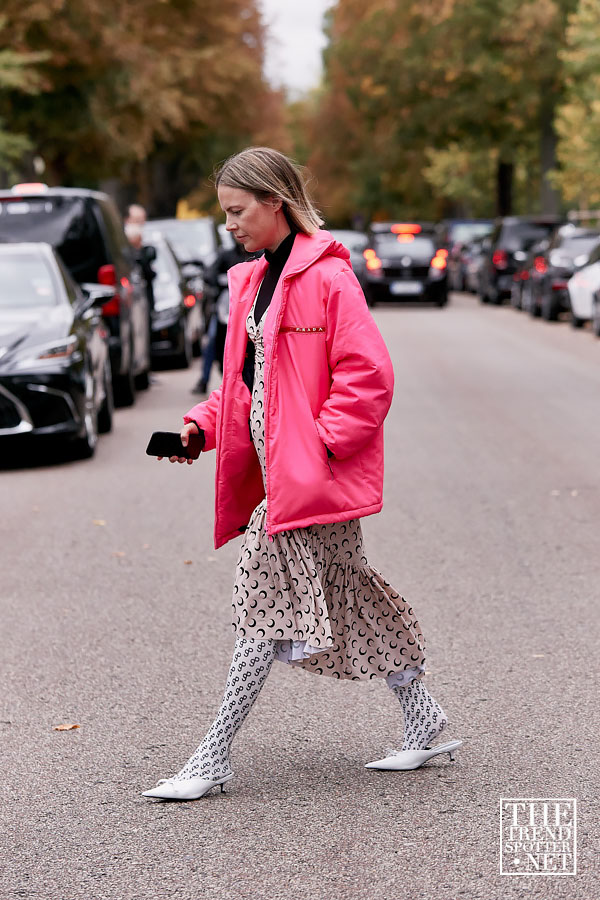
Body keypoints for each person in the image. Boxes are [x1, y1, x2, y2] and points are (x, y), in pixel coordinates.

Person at [142, 148, 461, 801]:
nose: (229, 223)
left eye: (237, 211)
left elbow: (367, 378)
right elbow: (243, 387)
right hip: (292, 478)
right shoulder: (252, 280)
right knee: (348, 591)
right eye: (225, 212)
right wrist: (198, 429)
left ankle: (212, 756)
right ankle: (423, 718)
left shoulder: (329, 279)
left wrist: (316, 451)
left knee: (263, 603)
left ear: (274, 202)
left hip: (308, 478)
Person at [191, 240, 249, 395]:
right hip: (226, 308)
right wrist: (222, 282)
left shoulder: (258, 255)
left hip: (249, 308)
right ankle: (204, 379)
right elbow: (209, 274)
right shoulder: (225, 255)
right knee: (211, 341)